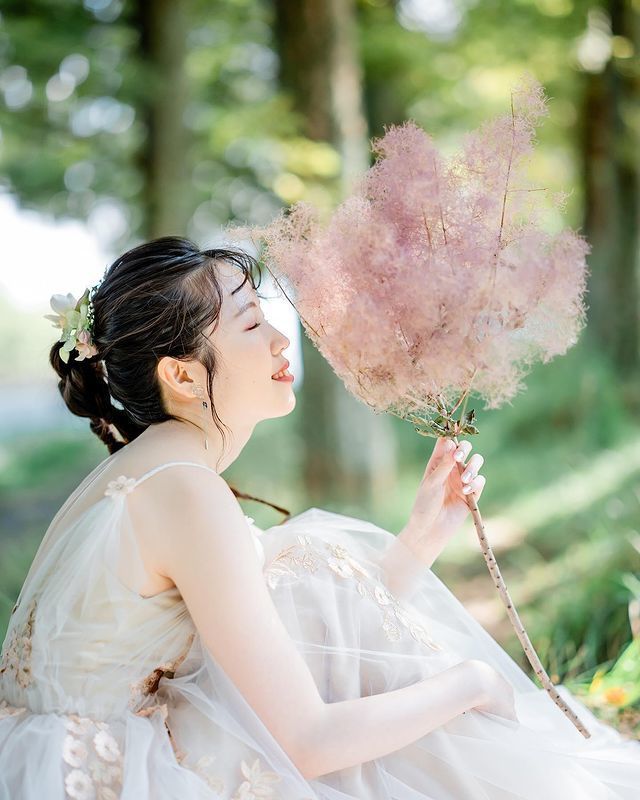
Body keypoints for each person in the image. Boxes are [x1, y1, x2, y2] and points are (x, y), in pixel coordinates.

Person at [0, 236, 638, 800]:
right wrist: (470, 684)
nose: (283, 340)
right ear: (184, 375)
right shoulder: (183, 492)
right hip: (107, 777)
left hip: (66, 752)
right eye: (251, 325)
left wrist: (421, 536)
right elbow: (306, 737)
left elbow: (290, 634)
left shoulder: (145, 473)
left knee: (300, 564)